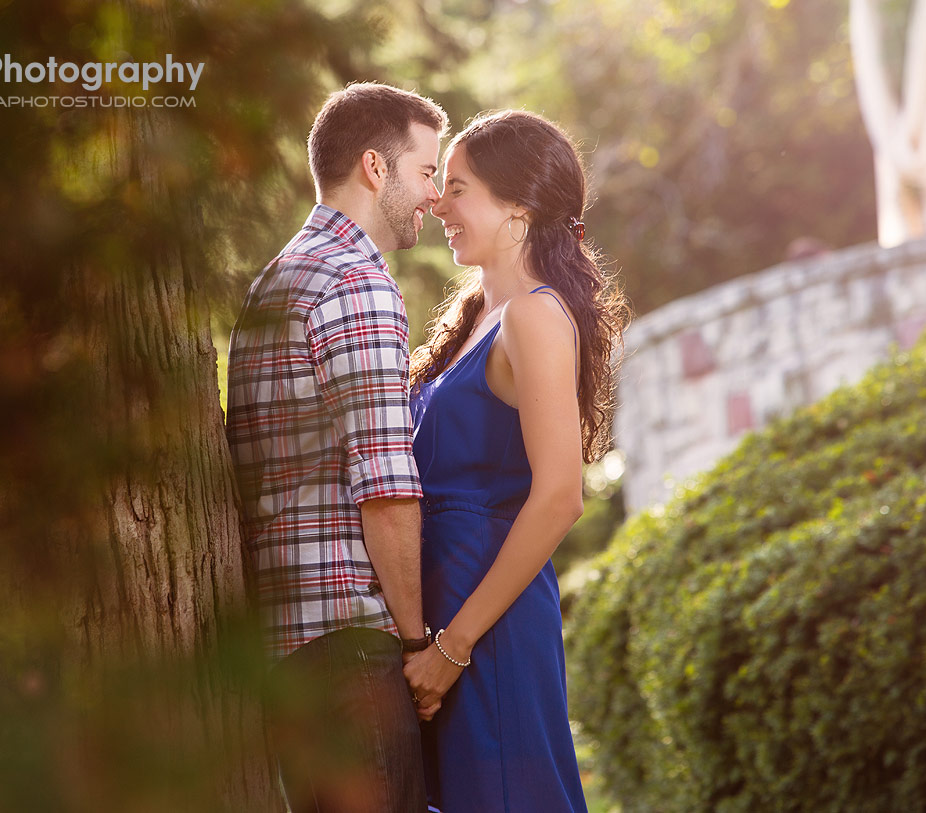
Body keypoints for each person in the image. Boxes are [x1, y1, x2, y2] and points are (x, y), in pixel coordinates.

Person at [225, 82, 447, 813]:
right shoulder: (357, 283)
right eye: (425, 171)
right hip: (352, 650)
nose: (434, 195)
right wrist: (417, 643)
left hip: (291, 651)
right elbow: (384, 485)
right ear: (375, 168)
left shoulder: (279, 278)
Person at [403, 110, 630, 812]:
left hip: (486, 626)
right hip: (444, 614)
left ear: (518, 210)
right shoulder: (476, 313)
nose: (439, 203)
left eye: (459, 188)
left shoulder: (535, 314)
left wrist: (455, 646)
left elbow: (560, 496)